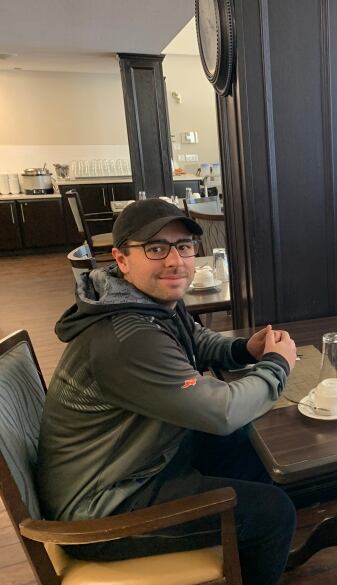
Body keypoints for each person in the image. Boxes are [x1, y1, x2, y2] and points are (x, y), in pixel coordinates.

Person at [37, 199, 297, 585]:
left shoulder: (143, 301)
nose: (175, 261)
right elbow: (220, 412)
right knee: (275, 512)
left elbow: (194, 338)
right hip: (104, 512)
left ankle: (245, 556)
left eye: (185, 246)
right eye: (156, 248)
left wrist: (244, 350)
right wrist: (278, 366)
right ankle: (255, 544)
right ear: (122, 259)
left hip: (139, 463)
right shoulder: (128, 338)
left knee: (253, 450)